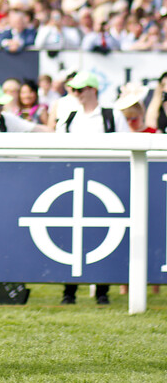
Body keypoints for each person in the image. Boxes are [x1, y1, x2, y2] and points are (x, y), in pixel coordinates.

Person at [57, 71, 129, 305]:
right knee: (71, 235)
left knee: (102, 233)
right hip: (72, 180)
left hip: (105, 181)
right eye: (73, 90)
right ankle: (69, 292)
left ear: (92, 89)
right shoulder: (68, 117)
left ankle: (102, 292)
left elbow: (127, 146)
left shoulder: (112, 115)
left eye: (80, 89)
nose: (76, 94)